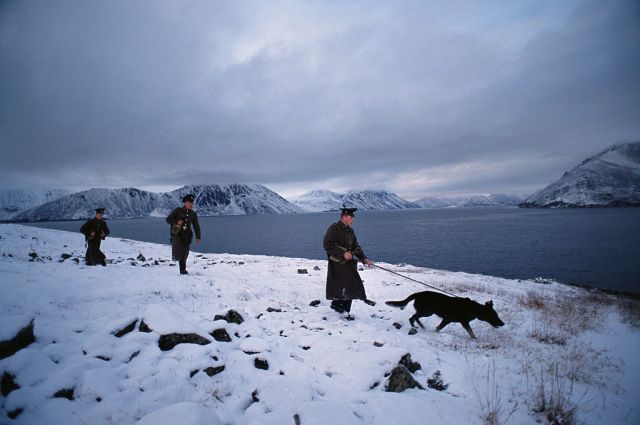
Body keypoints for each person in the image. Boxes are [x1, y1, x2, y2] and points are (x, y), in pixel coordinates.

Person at [322, 207, 374, 319]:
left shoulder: (351, 230)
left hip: (348, 264)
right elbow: (327, 244)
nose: (353, 220)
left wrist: (364, 259)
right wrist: (343, 253)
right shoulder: (334, 228)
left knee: (352, 285)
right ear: (345, 217)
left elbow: (356, 247)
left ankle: (340, 308)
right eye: (351, 217)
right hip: (337, 264)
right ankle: (341, 309)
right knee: (343, 286)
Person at [166, 194, 201, 275]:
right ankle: (182, 270)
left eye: (192, 203)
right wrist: (176, 222)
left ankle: (183, 269)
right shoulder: (178, 210)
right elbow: (168, 219)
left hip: (187, 235)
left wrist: (198, 237)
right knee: (180, 252)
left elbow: (196, 226)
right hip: (177, 234)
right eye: (190, 203)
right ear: (185, 202)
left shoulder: (193, 214)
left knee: (185, 252)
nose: (191, 205)